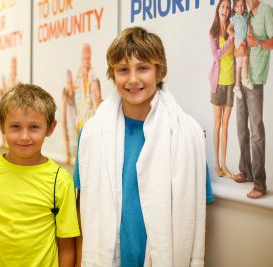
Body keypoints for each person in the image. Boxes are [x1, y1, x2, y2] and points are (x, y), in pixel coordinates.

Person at [75, 26, 210, 266]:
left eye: (143, 68)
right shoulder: (92, 134)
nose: (133, 79)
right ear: (113, 75)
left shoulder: (186, 135)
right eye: (123, 70)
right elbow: (83, 208)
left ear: (159, 73)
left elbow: (195, 207)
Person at [0, 83, 80, 266]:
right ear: (2, 125)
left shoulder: (60, 181)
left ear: (50, 127)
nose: (24, 137)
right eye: (15, 126)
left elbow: (67, 245)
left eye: (34, 127)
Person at [234, 0, 272, 199]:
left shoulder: (266, 10)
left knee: (256, 131)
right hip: (241, 80)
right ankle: (246, 171)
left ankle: (260, 183)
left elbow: (272, 41)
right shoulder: (246, 15)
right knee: (241, 128)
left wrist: (256, 42)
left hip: (255, 79)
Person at [209, 0, 237, 179]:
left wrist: (234, 35)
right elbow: (217, 54)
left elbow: (237, 53)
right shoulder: (213, 32)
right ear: (218, 9)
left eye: (228, 8)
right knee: (217, 124)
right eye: (223, 7)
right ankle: (217, 164)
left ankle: (225, 165)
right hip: (217, 83)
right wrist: (230, 39)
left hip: (231, 82)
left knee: (226, 126)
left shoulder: (233, 28)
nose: (225, 10)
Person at [227, 0, 254, 99]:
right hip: (239, 43)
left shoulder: (246, 17)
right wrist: (235, 36)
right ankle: (245, 80)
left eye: (242, 6)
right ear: (234, 8)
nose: (240, 8)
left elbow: (248, 26)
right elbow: (228, 29)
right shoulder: (234, 19)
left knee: (241, 64)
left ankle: (238, 86)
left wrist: (249, 32)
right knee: (244, 59)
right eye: (237, 6)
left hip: (244, 41)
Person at [61, 70, 77, 164]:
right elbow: (63, 123)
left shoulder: (77, 95)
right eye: (68, 82)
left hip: (76, 130)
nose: (70, 85)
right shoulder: (65, 96)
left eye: (71, 82)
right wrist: (67, 152)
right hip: (70, 132)